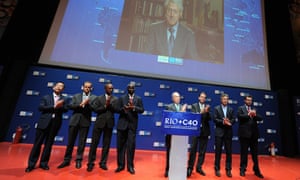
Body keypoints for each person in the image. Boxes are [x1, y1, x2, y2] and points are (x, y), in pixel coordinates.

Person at [25, 81, 68, 172]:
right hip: (44, 123)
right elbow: (41, 108)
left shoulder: (64, 98)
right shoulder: (46, 97)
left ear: (63, 89)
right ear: (54, 87)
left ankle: (43, 163)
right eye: (58, 86)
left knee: (49, 145)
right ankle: (31, 164)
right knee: (37, 144)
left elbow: (66, 110)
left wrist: (61, 106)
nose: (59, 88)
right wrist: (54, 106)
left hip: (55, 124)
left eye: (61, 87)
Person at [57, 81, 96, 169]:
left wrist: (87, 104)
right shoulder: (76, 96)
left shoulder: (93, 97)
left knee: (82, 142)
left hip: (85, 122)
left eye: (89, 87)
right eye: (85, 87)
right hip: (74, 121)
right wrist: (80, 105)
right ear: (82, 87)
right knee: (70, 141)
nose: (87, 88)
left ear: (91, 88)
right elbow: (71, 106)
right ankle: (67, 160)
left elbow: (95, 109)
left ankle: (79, 159)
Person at [86, 82, 118, 172]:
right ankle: (90, 163)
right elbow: (95, 110)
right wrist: (105, 106)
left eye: (112, 88)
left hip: (109, 124)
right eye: (109, 88)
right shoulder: (99, 98)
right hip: (99, 123)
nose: (111, 90)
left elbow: (117, 110)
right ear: (105, 89)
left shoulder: (115, 99)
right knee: (94, 144)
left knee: (106, 145)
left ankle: (103, 163)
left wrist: (110, 105)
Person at [115, 83, 144, 174]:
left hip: (132, 126)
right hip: (122, 125)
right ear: (127, 89)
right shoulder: (121, 98)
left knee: (131, 147)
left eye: (132, 88)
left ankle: (130, 166)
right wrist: (124, 109)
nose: (131, 89)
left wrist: (134, 107)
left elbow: (142, 110)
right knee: (120, 146)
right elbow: (116, 109)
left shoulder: (138, 99)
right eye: (129, 88)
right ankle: (120, 165)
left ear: (134, 89)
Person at [237, 95, 264, 178]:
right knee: (244, 153)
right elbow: (240, 117)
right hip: (244, 135)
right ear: (245, 100)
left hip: (254, 135)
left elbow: (260, 118)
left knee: (255, 154)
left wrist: (254, 115)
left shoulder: (254, 109)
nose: (249, 101)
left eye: (250, 100)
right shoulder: (241, 108)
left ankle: (256, 170)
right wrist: (249, 114)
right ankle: (242, 169)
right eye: (248, 100)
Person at [187, 92, 211, 177]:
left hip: (205, 131)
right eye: (201, 97)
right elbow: (194, 116)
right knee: (193, 150)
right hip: (195, 130)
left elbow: (209, 119)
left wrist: (207, 112)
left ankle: (199, 167)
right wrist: (202, 111)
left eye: (204, 97)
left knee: (202, 151)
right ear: (199, 98)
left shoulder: (207, 107)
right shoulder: (194, 106)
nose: (203, 98)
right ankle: (190, 168)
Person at [164, 91, 187, 177]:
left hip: (180, 136)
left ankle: (177, 169)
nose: (178, 98)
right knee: (169, 153)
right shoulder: (169, 107)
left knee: (178, 154)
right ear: (173, 98)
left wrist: (184, 113)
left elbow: (184, 119)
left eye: (179, 97)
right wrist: (181, 111)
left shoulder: (182, 107)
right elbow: (172, 117)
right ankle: (167, 170)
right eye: (177, 97)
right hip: (170, 135)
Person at [213, 93, 235, 177]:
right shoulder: (216, 108)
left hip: (228, 133)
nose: (225, 100)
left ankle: (228, 169)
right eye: (224, 99)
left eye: (227, 99)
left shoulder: (231, 109)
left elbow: (234, 119)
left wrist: (229, 122)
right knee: (218, 152)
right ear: (221, 100)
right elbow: (215, 119)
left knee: (229, 152)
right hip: (219, 133)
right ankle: (217, 168)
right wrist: (223, 122)